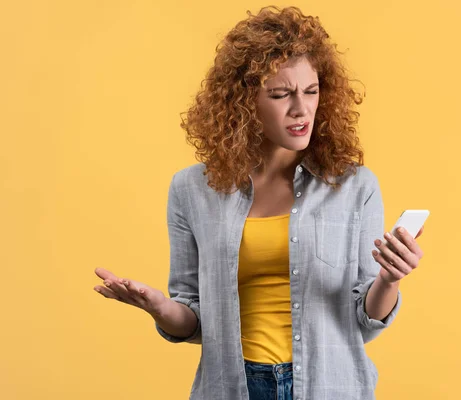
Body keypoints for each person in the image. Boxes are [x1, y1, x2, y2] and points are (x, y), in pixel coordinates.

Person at [93, 5, 425, 400]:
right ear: (243, 102)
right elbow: (193, 320)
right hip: (231, 388)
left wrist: (389, 278)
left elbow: (364, 318)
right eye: (281, 94)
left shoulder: (355, 186)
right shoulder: (191, 190)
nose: (301, 109)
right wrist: (159, 307)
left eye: (312, 91)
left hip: (330, 387)